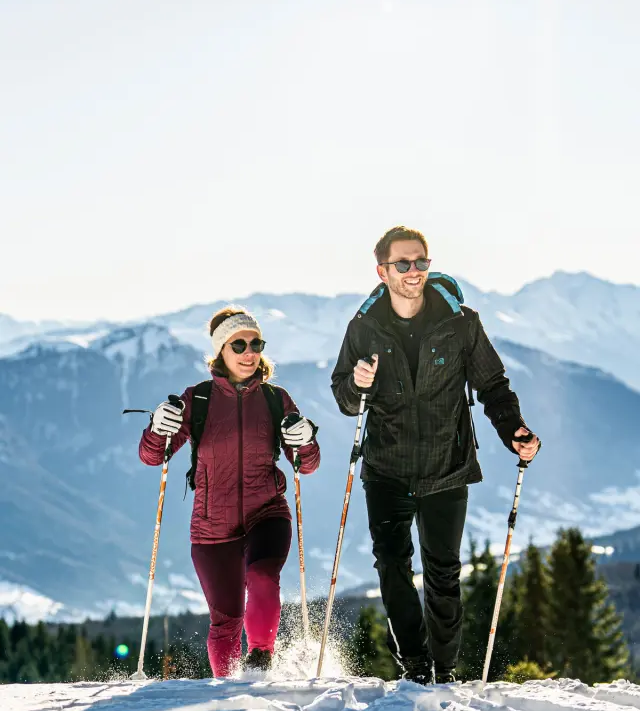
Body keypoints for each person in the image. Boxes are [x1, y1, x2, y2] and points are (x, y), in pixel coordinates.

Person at [331, 225, 539, 685]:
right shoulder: (363, 328)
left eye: (421, 262)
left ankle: (443, 672)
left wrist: (514, 430)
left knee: (443, 572)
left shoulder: (460, 323)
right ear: (382, 270)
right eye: (403, 264)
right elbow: (343, 396)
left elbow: (492, 385)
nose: (414, 272)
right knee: (391, 567)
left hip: (448, 467)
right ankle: (416, 667)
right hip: (386, 468)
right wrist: (356, 385)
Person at [139, 306, 320, 677]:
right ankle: (227, 693)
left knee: (263, 578)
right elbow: (152, 457)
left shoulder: (275, 399)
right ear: (221, 350)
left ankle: (259, 660)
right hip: (211, 528)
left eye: (256, 343)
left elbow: (306, 464)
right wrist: (158, 428)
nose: (249, 352)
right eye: (239, 345)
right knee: (226, 620)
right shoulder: (198, 400)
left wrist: (305, 441)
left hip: (267, 511)